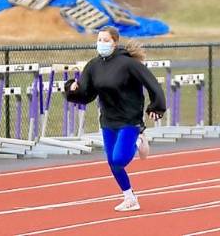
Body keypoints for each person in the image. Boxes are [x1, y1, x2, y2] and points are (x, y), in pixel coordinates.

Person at [65, 26, 165, 212]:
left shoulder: (128, 64)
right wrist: (72, 89)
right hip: (109, 120)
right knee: (112, 163)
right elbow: (86, 94)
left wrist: (156, 106)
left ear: (115, 43)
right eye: (99, 40)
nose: (101, 44)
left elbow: (152, 84)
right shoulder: (93, 66)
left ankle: (138, 140)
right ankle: (130, 198)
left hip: (129, 118)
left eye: (106, 40)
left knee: (119, 159)